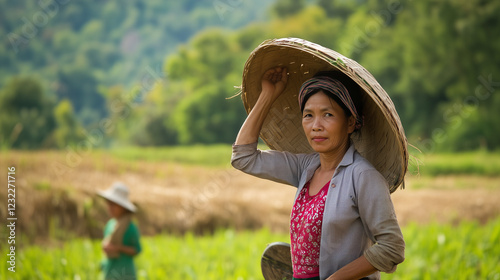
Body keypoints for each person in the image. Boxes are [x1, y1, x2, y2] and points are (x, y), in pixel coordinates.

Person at [231, 59, 406, 279]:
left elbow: (392, 248)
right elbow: (243, 157)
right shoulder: (306, 167)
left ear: (351, 123)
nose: (316, 126)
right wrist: (268, 94)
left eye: (328, 114)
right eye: (308, 115)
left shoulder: (363, 176)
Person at [97, 182, 142, 280]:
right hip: (110, 270)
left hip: (125, 273)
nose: (110, 208)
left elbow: (137, 250)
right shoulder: (110, 225)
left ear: (123, 207)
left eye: (113, 205)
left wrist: (118, 248)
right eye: (109, 204)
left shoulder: (130, 227)